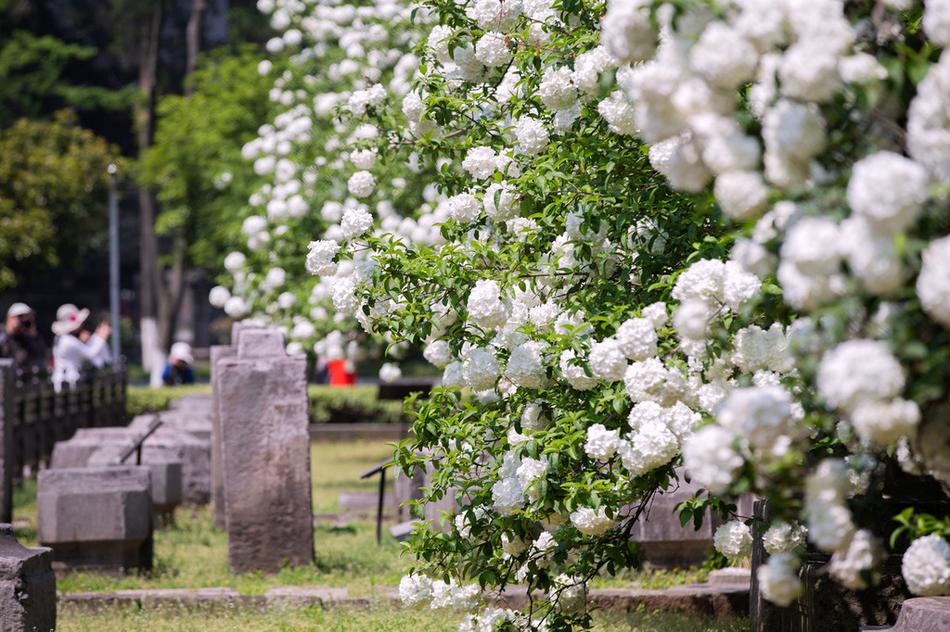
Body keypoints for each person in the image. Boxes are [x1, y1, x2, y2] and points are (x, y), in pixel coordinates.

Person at [50, 304, 111, 391]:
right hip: (67, 382)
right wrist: (101, 337)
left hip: (65, 381)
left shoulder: (63, 338)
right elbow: (90, 354)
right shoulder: (68, 340)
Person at [0, 303, 49, 376]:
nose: (23, 320)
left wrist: (32, 333)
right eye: (20, 316)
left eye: (26, 318)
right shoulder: (2, 335)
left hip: (22, 380)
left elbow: (40, 355)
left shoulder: (26, 338)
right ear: (9, 317)